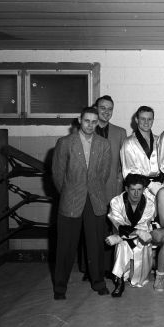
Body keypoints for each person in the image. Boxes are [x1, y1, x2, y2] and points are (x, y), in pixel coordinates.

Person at [51, 106, 111, 299]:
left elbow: (104, 174)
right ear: (79, 120)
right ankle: (60, 287)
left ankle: (98, 282)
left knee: (95, 245)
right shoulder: (65, 143)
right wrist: (70, 192)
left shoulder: (104, 144)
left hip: (95, 200)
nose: (90, 125)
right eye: (87, 121)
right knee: (65, 247)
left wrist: (91, 190)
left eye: (94, 122)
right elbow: (58, 175)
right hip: (71, 200)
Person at [105, 174, 155, 297]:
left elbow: (143, 228)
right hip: (129, 239)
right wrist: (136, 232)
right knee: (123, 246)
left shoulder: (149, 204)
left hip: (141, 242)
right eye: (133, 189)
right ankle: (119, 280)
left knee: (137, 281)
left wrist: (119, 237)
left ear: (144, 189)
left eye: (139, 190)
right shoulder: (116, 202)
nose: (136, 194)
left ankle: (122, 274)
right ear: (127, 189)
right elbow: (120, 226)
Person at [94, 95, 127, 275]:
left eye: (110, 109)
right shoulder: (88, 128)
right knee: (92, 228)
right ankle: (90, 268)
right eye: (102, 108)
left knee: (112, 227)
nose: (106, 112)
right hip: (91, 189)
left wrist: (120, 180)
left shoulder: (120, 132)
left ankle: (110, 268)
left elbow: (124, 162)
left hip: (112, 188)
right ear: (96, 108)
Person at [120, 105, 164, 200]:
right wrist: (151, 185)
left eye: (149, 119)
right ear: (136, 120)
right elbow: (128, 173)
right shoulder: (128, 143)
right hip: (139, 189)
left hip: (160, 187)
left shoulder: (159, 140)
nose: (146, 122)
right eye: (143, 119)